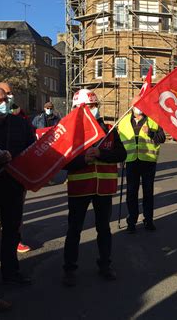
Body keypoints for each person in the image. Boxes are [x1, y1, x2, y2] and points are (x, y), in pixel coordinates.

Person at [62, 89, 127, 287]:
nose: (92, 109)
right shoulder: (71, 131)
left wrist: (100, 153)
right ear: (77, 108)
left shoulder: (109, 128)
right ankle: (69, 269)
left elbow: (121, 154)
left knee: (103, 229)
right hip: (80, 187)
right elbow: (63, 162)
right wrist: (83, 159)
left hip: (104, 188)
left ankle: (105, 265)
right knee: (74, 229)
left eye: (94, 105)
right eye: (88, 106)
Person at [0, 87, 35, 285]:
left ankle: (11, 273)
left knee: (11, 232)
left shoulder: (20, 123)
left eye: (4, 100)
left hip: (14, 187)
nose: (2, 104)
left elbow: (32, 148)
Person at [118, 95, 166, 233]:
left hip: (148, 161)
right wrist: (121, 158)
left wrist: (150, 132)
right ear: (131, 106)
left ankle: (148, 220)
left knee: (148, 192)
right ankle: (131, 221)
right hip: (131, 161)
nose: (138, 106)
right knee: (131, 193)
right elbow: (120, 142)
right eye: (135, 104)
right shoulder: (123, 122)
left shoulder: (153, 120)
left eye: (141, 103)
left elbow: (162, 138)